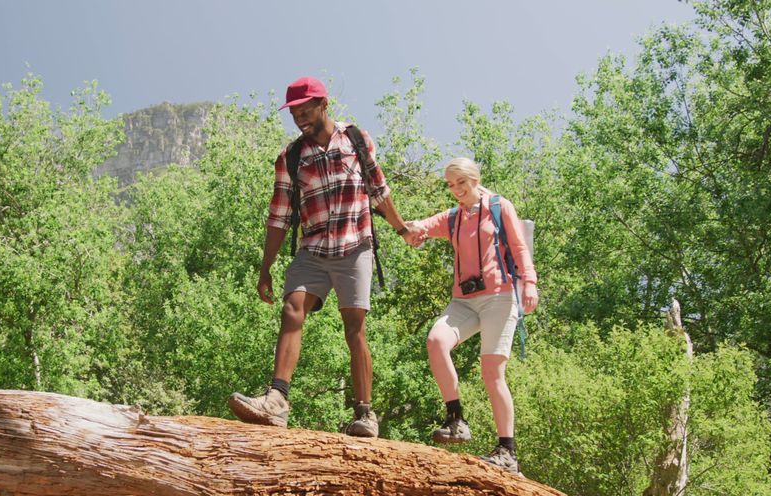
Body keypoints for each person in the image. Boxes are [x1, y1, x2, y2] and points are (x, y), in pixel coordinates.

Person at [228, 76, 416, 437]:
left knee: (354, 326)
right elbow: (280, 214)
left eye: (305, 110)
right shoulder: (291, 157)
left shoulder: (357, 140)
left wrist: (402, 228)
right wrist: (265, 269)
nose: (299, 119)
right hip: (312, 249)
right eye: (294, 113)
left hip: (355, 246)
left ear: (323, 105)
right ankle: (276, 400)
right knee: (291, 307)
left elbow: (379, 191)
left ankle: (365, 414)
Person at [404, 157, 538, 473]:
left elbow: (519, 249)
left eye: (460, 183)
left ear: (474, 179)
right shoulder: (454, 217)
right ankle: (456, 421)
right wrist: (409, 230)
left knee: (492, 371)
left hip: (499, 297)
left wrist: (530, 283)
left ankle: (507, 452)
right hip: (463, 301)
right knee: (436, 340)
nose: (456, 190)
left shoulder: (499, 207)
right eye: (450, 185)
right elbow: (420, 226)